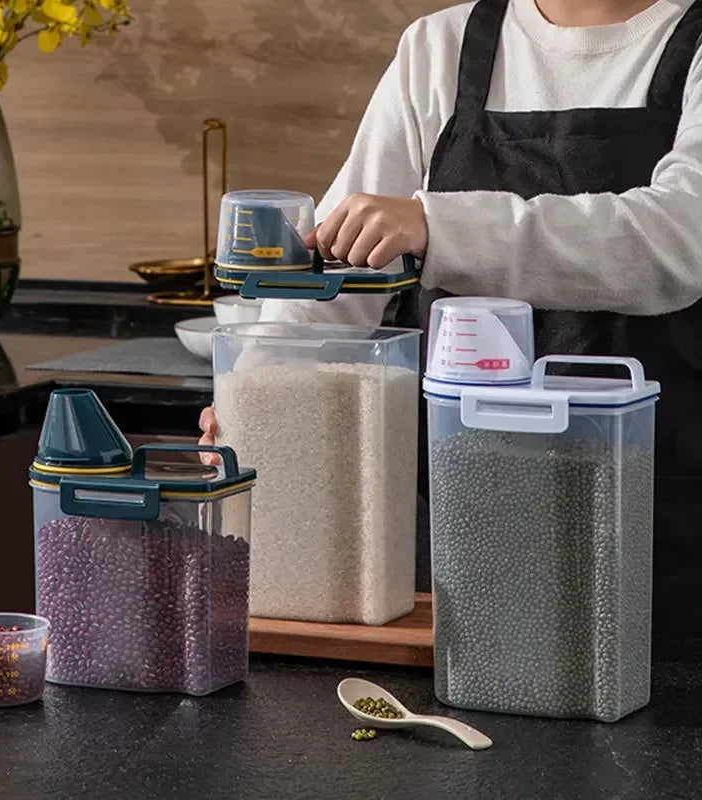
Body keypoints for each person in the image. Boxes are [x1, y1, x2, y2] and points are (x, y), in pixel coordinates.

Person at [201, 0, 702, 636]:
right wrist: (258, 400)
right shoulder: (439, 46)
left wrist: (436, 224)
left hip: (659, 513)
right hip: (456, 509)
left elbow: (676, 243)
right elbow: (333, 276)